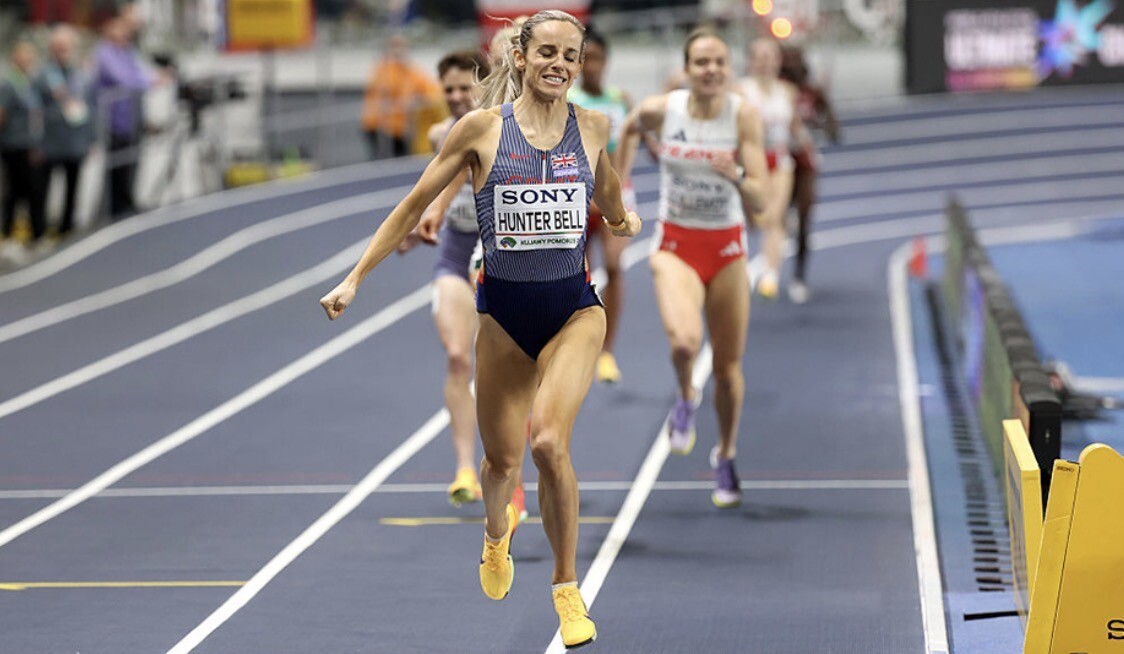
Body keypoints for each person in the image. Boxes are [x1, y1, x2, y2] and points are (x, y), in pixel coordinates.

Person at [320, 11, 641, 648]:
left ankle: (567, 589)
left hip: (574, 311)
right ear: (520, 57)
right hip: (502, 318)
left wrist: (621, 219)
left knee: (548, 443)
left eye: (570, 56)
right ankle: (496, 537)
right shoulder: (481, 129)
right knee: (500, 463)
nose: (559, 65)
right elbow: (414, 204)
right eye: (546, 52)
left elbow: (606, 191)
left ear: (580, 65)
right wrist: (354, 278)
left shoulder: (593, 126)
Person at [619, 27, 768, 508]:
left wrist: (736, 174)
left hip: (726, 248)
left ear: (729, 67)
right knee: (684, 342)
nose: (711, 70)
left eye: (719, 61)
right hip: (676, 244)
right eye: (702, 62)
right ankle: (686, 395)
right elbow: (628, 127)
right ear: (686, 70)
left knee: (726, 369)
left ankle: (725, 454)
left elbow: (762, 200)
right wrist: (622, 190)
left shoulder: (742, 115)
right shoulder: (664, 109)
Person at [395, 49, 528, 520]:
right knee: (457, 356)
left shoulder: (509, 127)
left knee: (505, 372)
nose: (455, 96)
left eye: (463, 87)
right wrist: (415, 229)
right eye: (447, 89)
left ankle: (511, 474)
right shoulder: (440, 134)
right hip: (455, 253)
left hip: (500, 257)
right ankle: (464, 469)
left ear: (484, 85)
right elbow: (432, 190)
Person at [565, 27, 636, 384]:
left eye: (598, 59)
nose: (592, 66)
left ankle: (608, 351)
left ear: (607, 61)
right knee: (580, 275)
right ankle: (581, 345)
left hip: (614, 196)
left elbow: (628, 145)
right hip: (578, 199)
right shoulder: (568, 100)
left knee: (615, 266)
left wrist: (620, 184)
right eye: (586, 59)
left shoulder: (620, 99)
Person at [738, 37, 804, 300]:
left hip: (779, 160)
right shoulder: (741, 90)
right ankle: (740, 266)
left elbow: (795, 126)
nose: (765, 63)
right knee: (756, 219)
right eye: (760, 57)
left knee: (775, 217)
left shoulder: (788, 91)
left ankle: (770, 275)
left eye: (771, 57)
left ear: (778, 61)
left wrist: (808, 146)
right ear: (751, 61)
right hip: (751, 162)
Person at [780, 44, 840, 304]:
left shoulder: (813, 91)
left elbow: (835, 129)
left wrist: (820, 125)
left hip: (805, 160)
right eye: (788, 61)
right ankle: (784, 218)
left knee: (805, 219)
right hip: (778, 160)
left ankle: (799, 277)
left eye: (797, 60)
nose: (793, 66)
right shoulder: (774, 92)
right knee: (774, 213)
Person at [95, 13, 157, 218]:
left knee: (131, 162)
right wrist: (151, 81)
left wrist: (152, 78)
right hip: (114, 121)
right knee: (116, 165)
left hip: (132, 118)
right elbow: (125, 79)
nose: (125, 37)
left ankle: (128, 201)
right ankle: (115, 207)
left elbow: (139, 72)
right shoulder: (105, 54)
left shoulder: (128, 52)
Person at [37, 25, 96, 237]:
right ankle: (40, 228)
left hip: (75, 141)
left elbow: (90, 108)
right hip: (49, 142)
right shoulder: (43, 74)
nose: (62, 52)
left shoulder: (80, 75)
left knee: (73, 186)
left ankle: (67, 226)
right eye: (58, 48)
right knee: (42, 187)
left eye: (66, 48)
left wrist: (91, 140)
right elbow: (34, 109)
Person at [0, 40, 46, 265]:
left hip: (28, 145)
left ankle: (36, 235)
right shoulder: (9, 84)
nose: (28, 60)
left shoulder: (28, 82)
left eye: (30, 56)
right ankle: (9, 238)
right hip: (14, 146)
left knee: (31, 191)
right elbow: (2, 114)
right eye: (24, 56)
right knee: (16, 192)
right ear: (15, 58)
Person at [360, 34, 441, 160]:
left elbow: (432, 93)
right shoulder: (382, 70)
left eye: (401, 47)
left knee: (400, 161)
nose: (398, 51)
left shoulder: (412, 71)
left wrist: (416, 102)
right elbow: (381, 93)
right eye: (394, 46)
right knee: (381, 160)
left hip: (400, 128)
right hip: (378, 126)